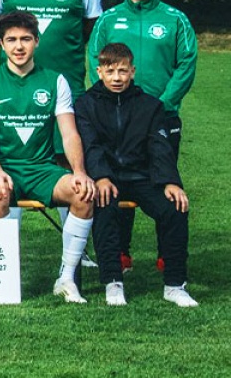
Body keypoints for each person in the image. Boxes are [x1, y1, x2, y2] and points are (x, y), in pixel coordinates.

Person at [87, 0, 197, 272]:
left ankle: (167, 253)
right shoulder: (109, 19)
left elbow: (186, 63)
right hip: (117, 117)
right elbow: (97, 62)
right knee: (119, 180)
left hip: (162, 117)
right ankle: (121, 252)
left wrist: (161, 105)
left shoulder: (175, 19)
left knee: (163, 182)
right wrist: (111, 103)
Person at [0, 11, 96, 303]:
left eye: (26, 39)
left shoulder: (55, 81)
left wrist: (79, 171)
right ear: (0, 45)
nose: (19, 47)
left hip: (42, 170)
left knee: (83, 195)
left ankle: (66, 279)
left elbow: (69, 133)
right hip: (7, 169)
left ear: (37, 42)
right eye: (12, 40)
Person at [75, 42, 196, 307]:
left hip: (142, 177)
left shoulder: (150, 106)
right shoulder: (85, 104)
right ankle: (112, 282)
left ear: (133, 71)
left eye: (122, 71)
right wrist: (102, 177)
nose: (116, 78)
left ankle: (175, 285)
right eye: (110, 71)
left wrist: (171, 182)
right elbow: (90, 145)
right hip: (107, 177)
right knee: (103, 204)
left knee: (175, 208)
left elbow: (159, 146)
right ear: (99, 72)